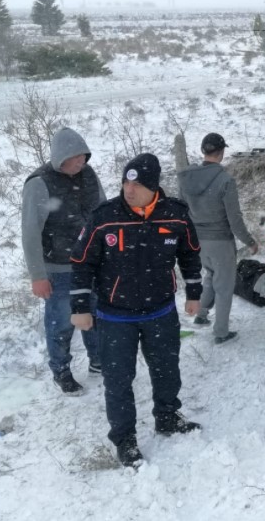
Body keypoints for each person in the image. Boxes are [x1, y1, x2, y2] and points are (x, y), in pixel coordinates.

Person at [70, 153, 203, 468]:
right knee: (118, 380)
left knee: (167, 371)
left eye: (137, 184)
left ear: (153, 186)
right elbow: (81, 262)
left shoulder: (176, 215)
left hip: (160, 311)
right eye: (125, 182)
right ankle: (125, 439)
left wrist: (194, 292)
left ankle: (167, 416)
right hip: (116, 316)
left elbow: (190, 254)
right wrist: (79, 306)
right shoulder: (105, 217)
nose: (128, 190)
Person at [21, 127, 105, 396]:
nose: (82, 162)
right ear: (60, 157)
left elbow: (103, 213)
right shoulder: (40, 183)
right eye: (76, 157)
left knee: (94, 314)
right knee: (61, 324)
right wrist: (38, 275)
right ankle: (61, 371)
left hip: (90, 263)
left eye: (84, 156)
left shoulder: (88, 175)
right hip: (58, 269)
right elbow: (30, 232)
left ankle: (99, 361)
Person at [177, 132, 258, 344]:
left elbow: (181, 211)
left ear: (204, 151)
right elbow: (234, 219)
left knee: (210, 276)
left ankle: (201, 314)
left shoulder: (186, 178)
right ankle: (221, 332)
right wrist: (250, 241)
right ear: (221, 153)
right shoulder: (225, 180)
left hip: (198, 241)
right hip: (220, 241)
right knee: (224, 287)